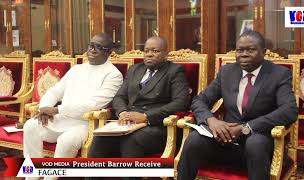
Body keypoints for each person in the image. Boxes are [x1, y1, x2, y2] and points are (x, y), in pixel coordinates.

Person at [177, 31, 298, 180]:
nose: (244, 54)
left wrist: (245, 128)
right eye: (240, 50)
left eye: (251, 50)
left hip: (259, 141)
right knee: (194, 139)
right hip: (226, 140)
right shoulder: (227, 72)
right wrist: (212, 121)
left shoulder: (279, 74)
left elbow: (289, 110)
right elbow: (199, 100)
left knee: (255, 143)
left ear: (264, 52)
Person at [23, 33, 123, 161]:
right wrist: (44, 108)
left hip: (84, 123)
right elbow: (54, 91)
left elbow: (94, 104)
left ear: (109, 52)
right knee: (30, 126)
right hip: (61, 118)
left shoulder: (113, 75)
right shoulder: (77, 69)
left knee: (67, 140)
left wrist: (56, 110)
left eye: (98, 47)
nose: (92, 49)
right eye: (91, 45)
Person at [88, 36, 189, 159]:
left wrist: (146, 117)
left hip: (156, 125)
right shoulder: (135, 69)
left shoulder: (175, 71)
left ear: (166, 54)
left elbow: (181, 102)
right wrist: (123, 112)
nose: (149, 55)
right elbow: (119, 96)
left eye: (155, 51)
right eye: (146, 51)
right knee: (100, 139)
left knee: (131, 141)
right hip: (127, 122)